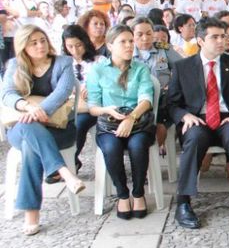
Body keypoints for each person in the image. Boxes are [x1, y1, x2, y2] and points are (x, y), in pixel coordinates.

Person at [168, 18, 229, 228]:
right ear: (200, 40)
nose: (221, 41)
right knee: (194, 139)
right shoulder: (183, 67)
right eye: (215, 37)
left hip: (227, 117)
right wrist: (184, 116)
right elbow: (171, 103)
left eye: (224, 36)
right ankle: (183, 203)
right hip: (197, 119)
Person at [2, 25, 84, 235]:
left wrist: (37, 111)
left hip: (59, 129)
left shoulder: (63, 63)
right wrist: (26, 106)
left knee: (31, 145)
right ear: (23, 47)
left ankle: (32, 213)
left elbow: (62, 92)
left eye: (43, 40)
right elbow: (7, 94)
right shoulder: (14, 65)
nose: (40, 45)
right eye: (34, 42)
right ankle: (65, 173)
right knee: (28, 129)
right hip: (20, 129)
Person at [86, 25, 155, 219]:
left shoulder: (140, 68)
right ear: (110, 45)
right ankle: (123, 194)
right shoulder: (98, 70)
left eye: (131, 41)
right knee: (111, 148)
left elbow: (146, 99)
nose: (129, 45)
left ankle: (139, 192)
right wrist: (108, 110)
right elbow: (93, 107)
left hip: (138, 121)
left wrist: (131, 118)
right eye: (123, 42)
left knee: (138, 145)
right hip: (109, 123)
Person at [131, 17, 182, 156]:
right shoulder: (127, 51)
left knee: (161, 115)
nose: (145, 38)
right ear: (132, 35)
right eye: (139, 34)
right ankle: (145, 153)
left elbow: (184, 68)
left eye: (149, 33)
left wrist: (173, 84)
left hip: (162, 98)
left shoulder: (163, 49)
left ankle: (152, 149)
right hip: (134, 100)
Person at [60, 25, 100, 177]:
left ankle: (70, 161)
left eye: (78, 45)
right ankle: (59, 161)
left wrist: (93, 88)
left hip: (91, 106)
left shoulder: (98, 61)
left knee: (80, 123)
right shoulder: (62, 63)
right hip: (68, 105)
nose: (75, 50)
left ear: (85, 42)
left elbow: (107, 83)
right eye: (70, 46)